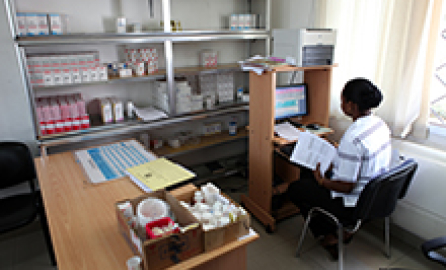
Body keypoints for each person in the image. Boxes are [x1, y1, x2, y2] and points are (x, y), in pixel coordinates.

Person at [286, 78, 392, 260]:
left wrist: (321, 181)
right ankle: (341, 230)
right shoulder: (379, 124)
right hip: (375, 199)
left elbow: (346, 186)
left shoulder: (353, 138)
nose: (341, 103)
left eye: (342, 100)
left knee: (295, 189)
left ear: (351, 105)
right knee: (307, 176)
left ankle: (330, 235)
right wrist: (339, 153)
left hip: (353, 205)